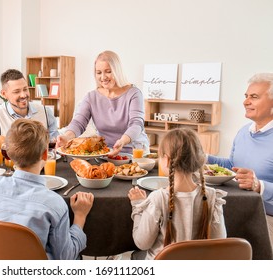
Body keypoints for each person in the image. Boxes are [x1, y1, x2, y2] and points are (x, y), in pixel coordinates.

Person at [0, 119, 94, 260]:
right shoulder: (55, 204)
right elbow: (65, 257)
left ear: (8, 155)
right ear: (46, 155)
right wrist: (80, 217)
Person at [128, 128, 227, 260]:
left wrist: (138, 205)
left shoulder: (158, 198)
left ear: (167, 161)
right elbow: (219, 242)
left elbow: (142, 243)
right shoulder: (212, 196)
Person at [207, 73, 273, 249]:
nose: (245, 102)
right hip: (236, 210)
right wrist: (204, 158)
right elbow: (232, 166)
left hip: (265, 219)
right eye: (246, 96)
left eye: (254, 97)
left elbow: (255, 183)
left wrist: (259, 185)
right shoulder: (244, 131)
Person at [56, 50, 149, 155]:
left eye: (108, 71)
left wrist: (122, 141)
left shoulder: (134, 93)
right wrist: (66, 137)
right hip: (106, 152)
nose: (103, 77)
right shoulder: (91, 97)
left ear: (117, 70)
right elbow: (78, 123)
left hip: (134, 151)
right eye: (99, 72)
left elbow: (136, 124)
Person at [0, 69, 59, 155]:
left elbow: (55, 144)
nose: (23, 95)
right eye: (16, 92)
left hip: (43, 167)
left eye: (25, 89)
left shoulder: (46, 112)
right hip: (10, 169)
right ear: (4, 94)